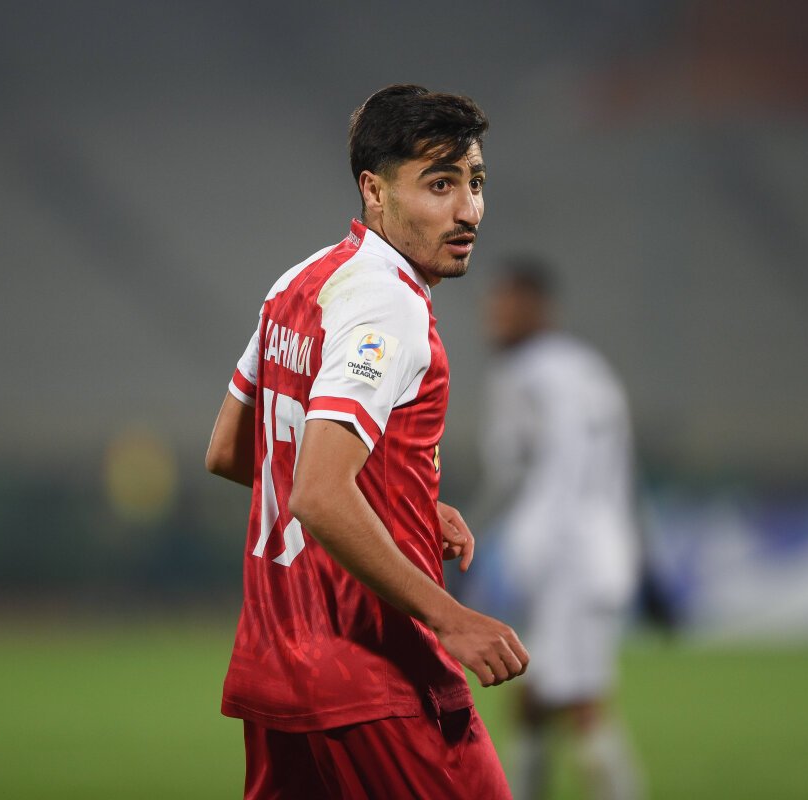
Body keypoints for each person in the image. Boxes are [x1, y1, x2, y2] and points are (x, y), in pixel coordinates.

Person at [204, 85, 528, 799]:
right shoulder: (388, 306)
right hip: (377, 676)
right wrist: (452, 619)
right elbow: (319, 493)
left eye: (475, 183)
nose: (468, 211)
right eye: (439, 185)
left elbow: (231, 451)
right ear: (374, 190)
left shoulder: (300, 283)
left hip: (277, 670)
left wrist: (395, 501)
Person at [475, 259, 645, 800]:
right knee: (534, 695)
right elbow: (619, 468)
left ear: (535, 308)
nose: (495, 320)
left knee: (581, 701)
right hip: (603, 548)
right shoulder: (588, 367)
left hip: (561, 556)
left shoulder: (521, 374)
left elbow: (509, 470)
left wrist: (474, 532)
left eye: (505, 308)